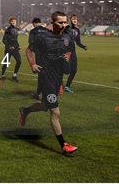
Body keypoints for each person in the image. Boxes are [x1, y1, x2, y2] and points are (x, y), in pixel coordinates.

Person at [18, 11, 78, 154]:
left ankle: (25, 110)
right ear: (52, 22)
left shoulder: (67, 37)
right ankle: (64, 145)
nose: (63, 25)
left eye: (65, 22)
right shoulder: (42, 36)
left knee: (45, 106)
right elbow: (28, 50)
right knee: (55, 112)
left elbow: (69, 52)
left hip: (57, 78)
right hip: (45, 77)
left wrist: (63, 78)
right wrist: (32, 64)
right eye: (60, 22)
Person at [64, 14, 88, 93]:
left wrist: (83, 46)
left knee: (74, 70)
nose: (75, 20)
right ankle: (56, 83)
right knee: (65, 70)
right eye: (73, 19)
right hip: (66, 51)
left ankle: (67, 86)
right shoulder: (66, 28)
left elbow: (78, 42)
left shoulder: (77, 30)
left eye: (76, 19)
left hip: (73, 52)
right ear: (70, 20)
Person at [27, 18, 49, 100]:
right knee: (45, 74)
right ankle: (38, 93)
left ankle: (43, 94)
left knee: (41, 75)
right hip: (49, 55)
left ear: (33, 23)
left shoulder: (33, 31)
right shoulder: (47, 30)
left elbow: (31, 44)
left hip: (40, 55)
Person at [1, 16, 21, 82]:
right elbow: (4, 40)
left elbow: (15, 39)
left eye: (14, 21)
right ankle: (3, 75)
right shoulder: (8, 30)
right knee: (6, 62)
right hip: (8, 49)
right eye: (12, 21)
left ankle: (14, 75)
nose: (13, 22)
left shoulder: (16, 29)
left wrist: (18, 46)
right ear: (10, 22)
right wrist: (9, 46)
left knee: (19, 61)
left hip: (15, 48)